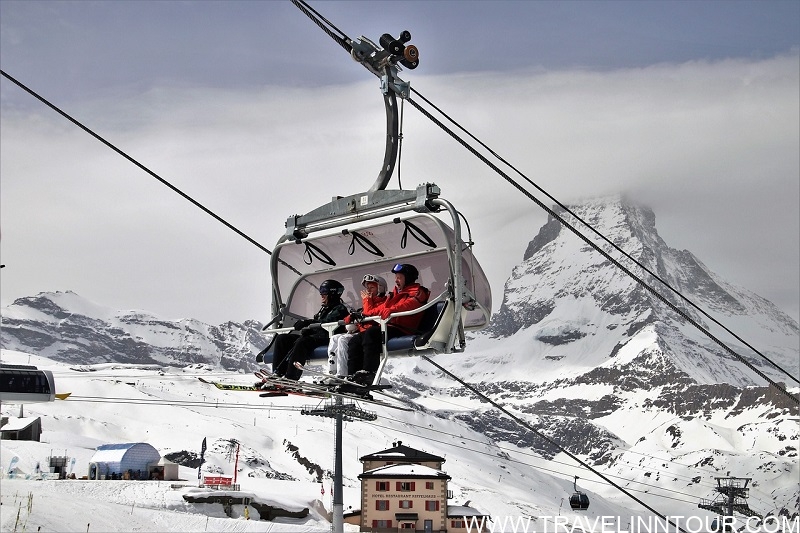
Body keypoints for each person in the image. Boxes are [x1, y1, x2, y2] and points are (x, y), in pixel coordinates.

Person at [347, 264, 430, 383]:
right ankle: (352, 375)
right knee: (355, 340)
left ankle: (369, 372)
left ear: (409, 278)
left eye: (399, 277)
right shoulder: (395, 294)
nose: (396, 280)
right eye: (396, 277)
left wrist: (393, 310)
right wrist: (366, 314)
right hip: (390, 326)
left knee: (371, 333)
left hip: (404, 328)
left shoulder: (418, 292)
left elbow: (410, 304)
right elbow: (383, 309)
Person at [270, 279, 350, 381]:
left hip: (328, 338)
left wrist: (309, 323)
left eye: (324, 293)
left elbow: (327, 322)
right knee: (283, 339)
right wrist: (309, 329)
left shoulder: (340, 309)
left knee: (302, 342)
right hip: (318, 337)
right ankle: (278, 373)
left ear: (333, 294)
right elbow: (318, 322)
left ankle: (291, 377)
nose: (322, 295)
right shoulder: (324, 309)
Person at [326, 274, 388, 379]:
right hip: (361, 333)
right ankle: (334, 372)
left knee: (343, 340)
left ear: (380, 288)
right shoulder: (367, 303)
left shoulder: (385, 302)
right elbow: (349, 319)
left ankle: (343, 374)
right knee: (335, 338)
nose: (368, 291)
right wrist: (352, 318)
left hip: (372, 334)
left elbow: (370, 314)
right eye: (367, 288)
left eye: (372, 287)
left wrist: (367, 301)